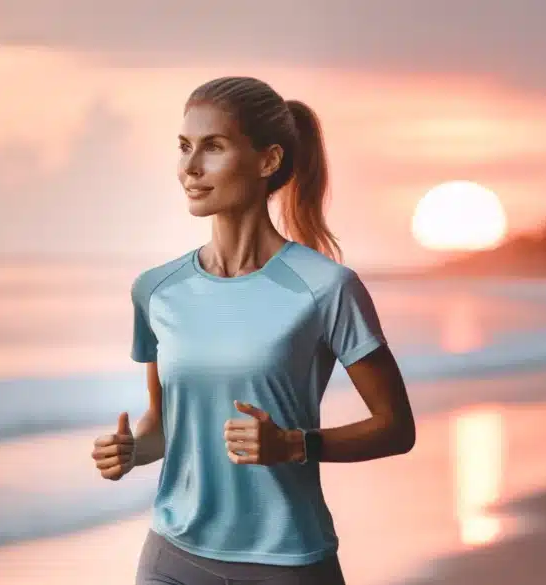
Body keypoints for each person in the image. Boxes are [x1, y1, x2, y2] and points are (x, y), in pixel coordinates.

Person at [92, 76, 417, 585]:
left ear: (267, 161)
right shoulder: (155, 291)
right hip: (173, 559)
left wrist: (294, 445)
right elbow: (164, 425)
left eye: (213, 147)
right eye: (183, 148)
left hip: (288, 563)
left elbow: (397, 427)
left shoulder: (326, 288)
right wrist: (132, 451)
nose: (190, 168)